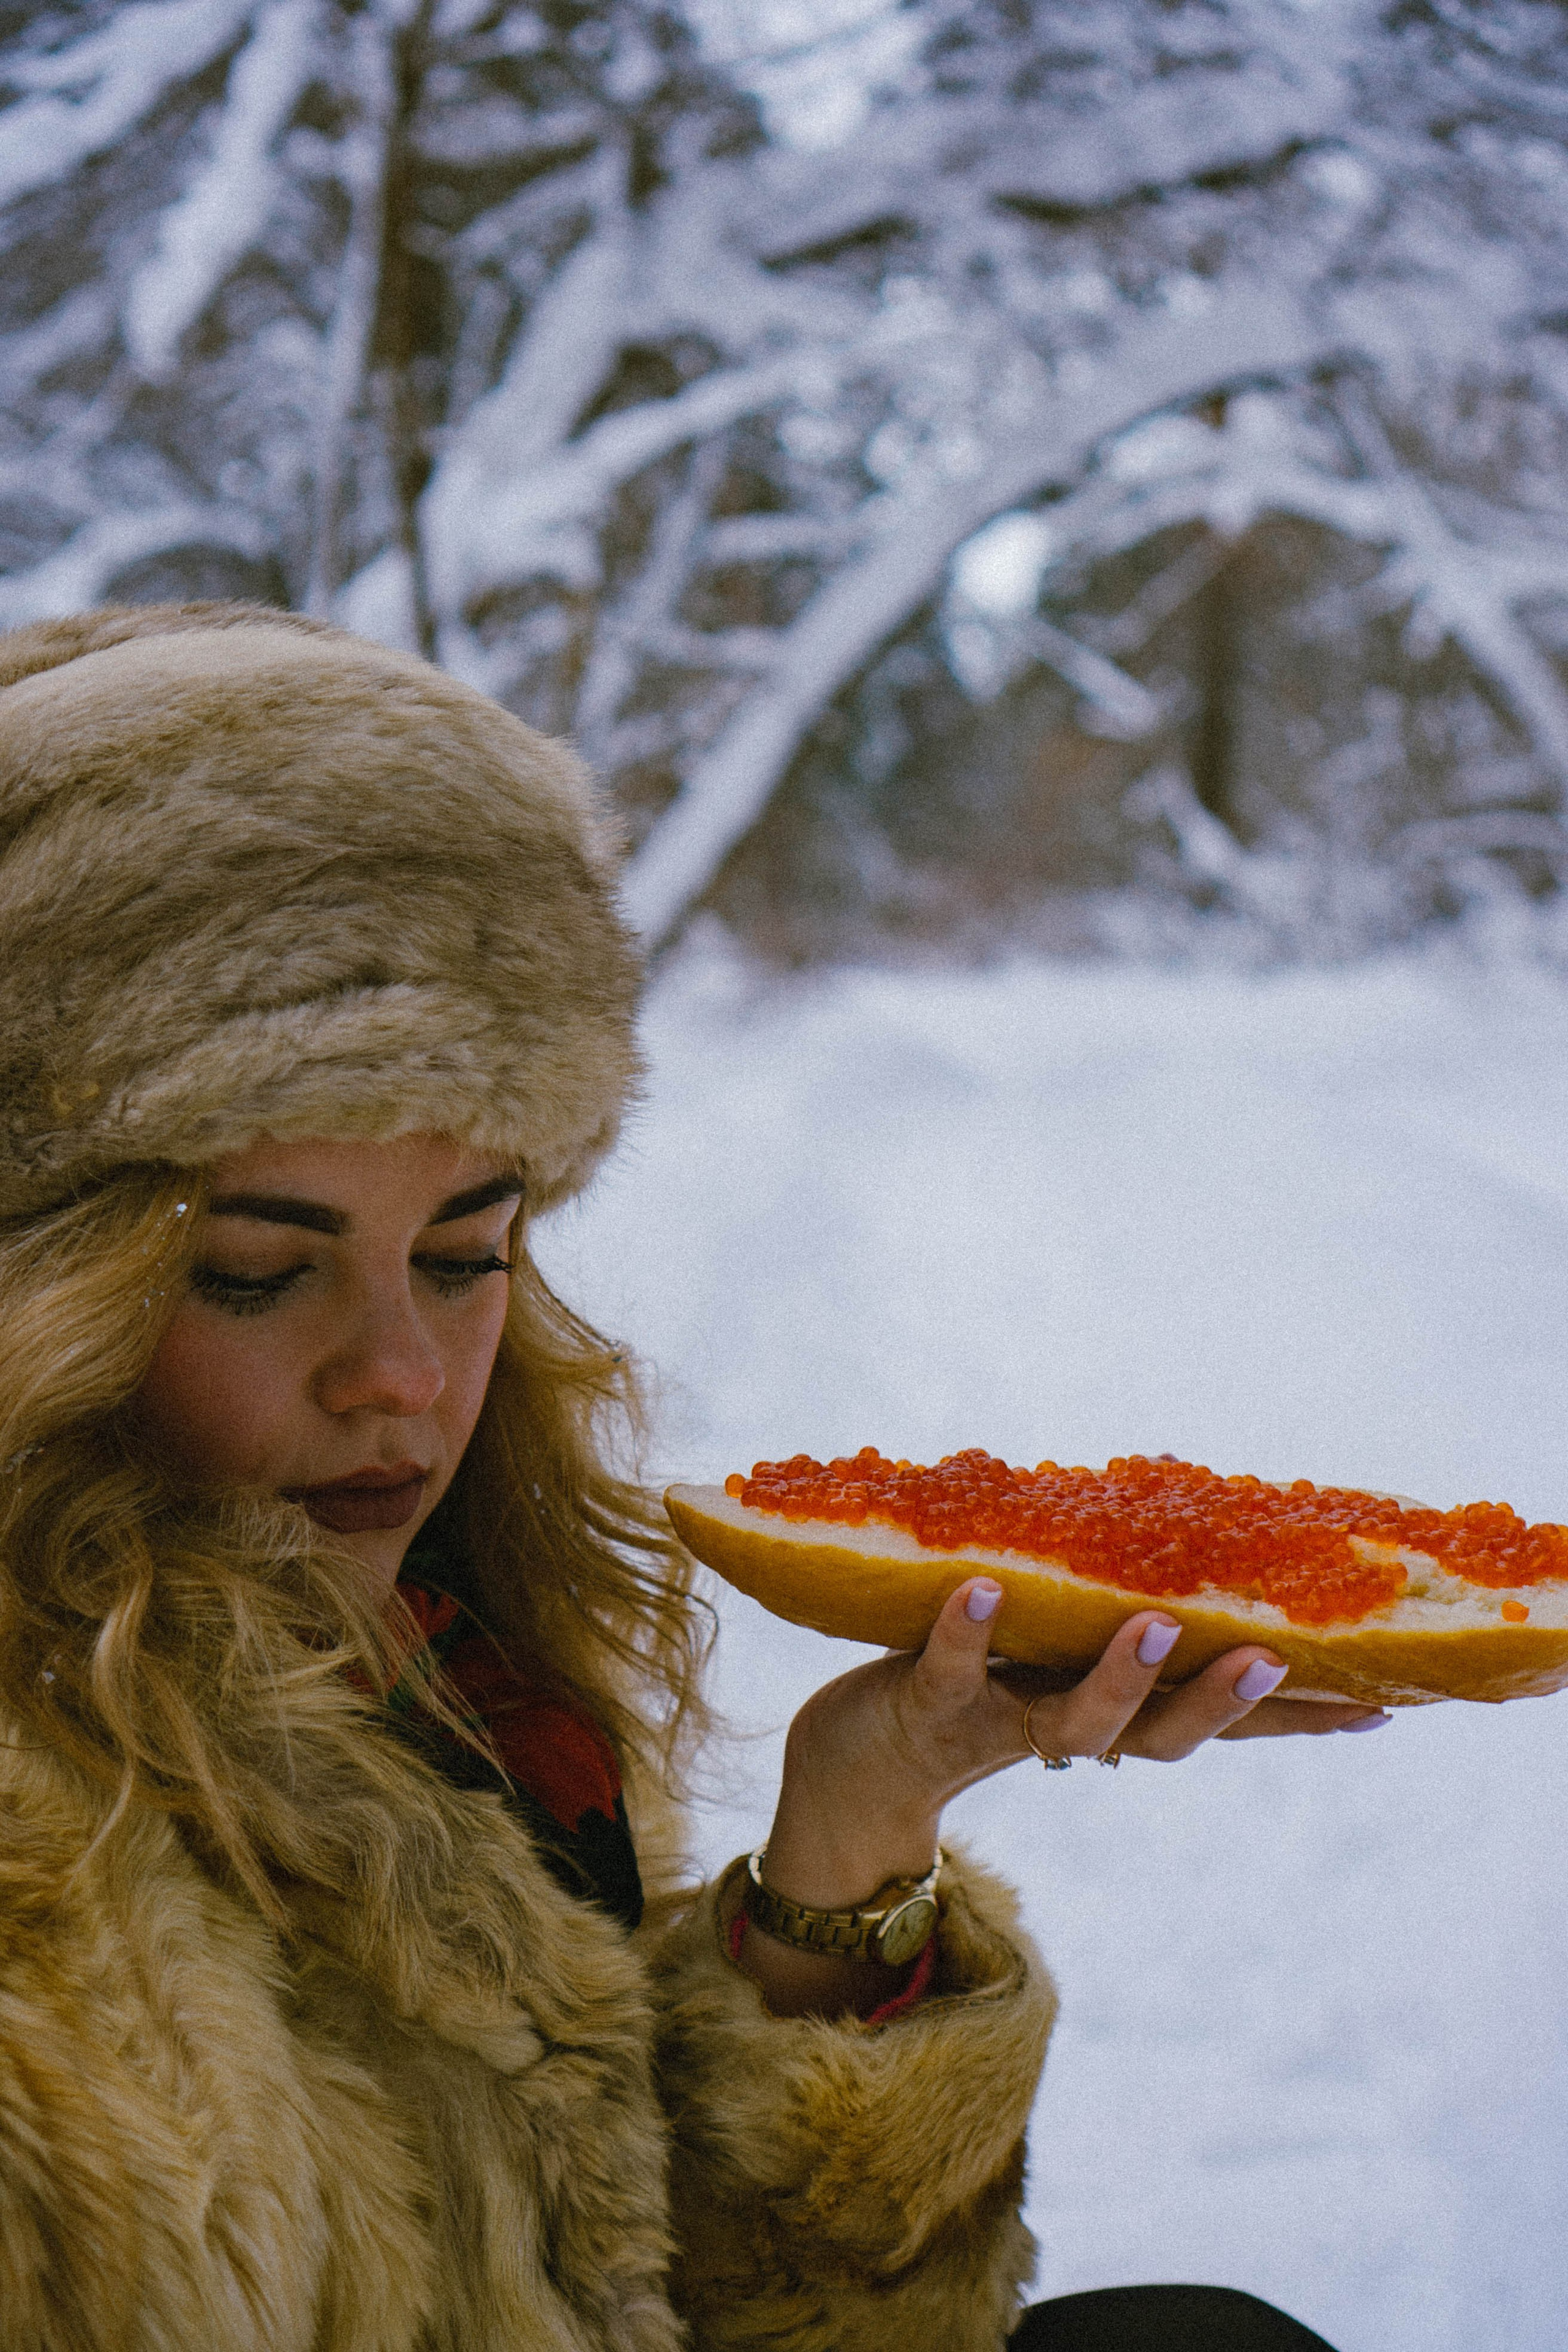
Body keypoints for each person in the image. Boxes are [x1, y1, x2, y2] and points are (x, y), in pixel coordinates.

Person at [0, 603, 1376, 2351]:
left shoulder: (454, 1681)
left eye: (464, 1253)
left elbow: (632, 2293)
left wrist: (856, 1841)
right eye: (257, 1271)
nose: (404, 1377)